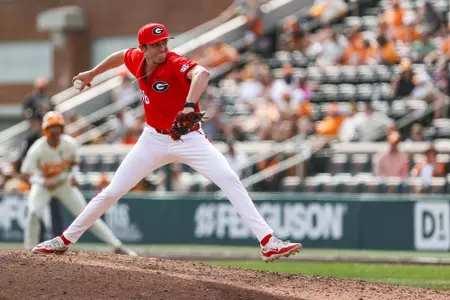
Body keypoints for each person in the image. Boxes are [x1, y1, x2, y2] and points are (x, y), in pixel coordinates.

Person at [32, 23, 301, 262]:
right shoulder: (137, 58)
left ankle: (268, 242)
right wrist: (93, 72)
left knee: (229, 178)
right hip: (152, 139)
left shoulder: (173, 62)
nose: (162, 47)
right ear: (144, 48)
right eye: (156, 44)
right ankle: (64, 240)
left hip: (188, 138)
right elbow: (120, 56)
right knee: (112, 191)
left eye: (164, 42)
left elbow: (202, 73)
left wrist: (188, 104)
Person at [21, 111, 135, 255]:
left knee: (87, 214)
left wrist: (74, 175)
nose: (55, 131)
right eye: (51, 127)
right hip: (43, 184)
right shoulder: (37, 148)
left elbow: (74, 162)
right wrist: (42, 181)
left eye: (57, 127)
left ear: (62, 128)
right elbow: (25, 173)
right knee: (34, 212)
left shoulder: (69, 143)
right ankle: (27, 250)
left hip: (64, 183)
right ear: (46, 129)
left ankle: (117, 246)